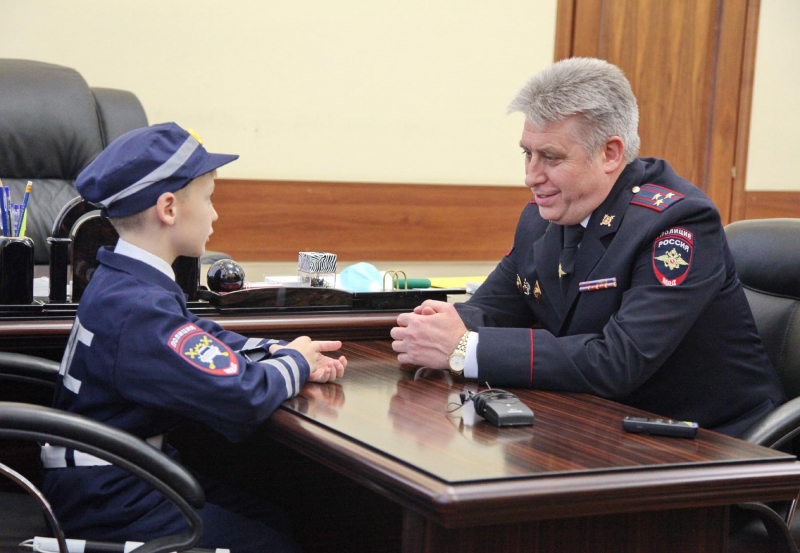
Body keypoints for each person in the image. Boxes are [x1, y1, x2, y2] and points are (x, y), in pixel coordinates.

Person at [390, 57, 785, 438]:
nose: (531, 176)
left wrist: (463, 347)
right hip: (601, 427)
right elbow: (494, 307)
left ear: (610, 154)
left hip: (715, 447)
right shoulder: (544, 215)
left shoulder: (677, 224)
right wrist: (436, 324)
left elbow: (618, 360)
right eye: (527, 153)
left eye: (550, 157)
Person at [42, 123, 347, 552]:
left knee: (274, 517)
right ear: (168, 208)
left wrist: (275, 350)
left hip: (112, 475)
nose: (215, 214)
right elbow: (242, 396)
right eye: (208, 199)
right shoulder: (139, 307)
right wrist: (296, 364)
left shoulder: (124, 279)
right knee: (271, 544)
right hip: (109, 496)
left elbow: (196, 336)